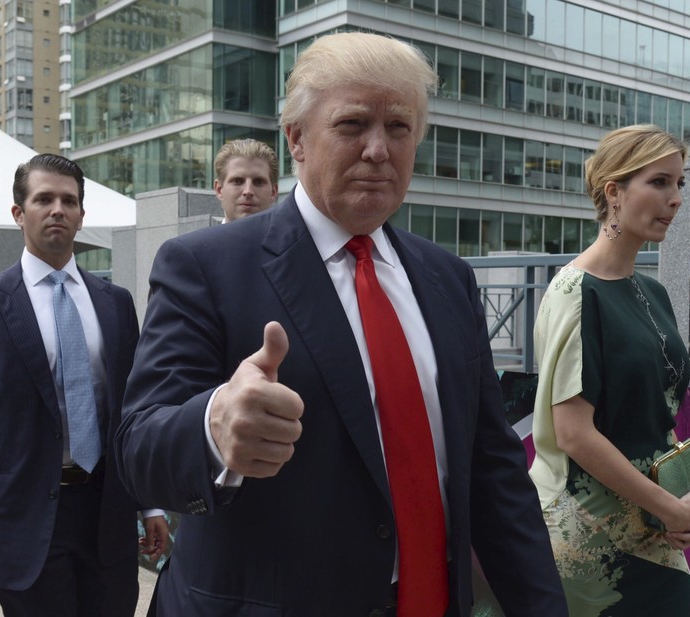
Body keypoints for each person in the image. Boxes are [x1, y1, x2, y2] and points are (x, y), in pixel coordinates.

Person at [116, 32, 566, 617]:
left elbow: (494, 473)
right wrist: (213, 425)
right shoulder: (204, 267)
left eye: (399, 128)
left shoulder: (447, 278)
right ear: (297, 140)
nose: (379, 149)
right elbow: (138, 449)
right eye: (353, 125)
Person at [0, 154, 169, 616]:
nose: (57, 209)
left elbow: (134, 413)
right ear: (19, 213)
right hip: (23, 520)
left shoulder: (115, 304)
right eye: (43, 199)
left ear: (82, 215)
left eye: (69, 200)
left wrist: (150, 504)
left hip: (107, 515)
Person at [528, 125, 690, 616]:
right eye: (658, 182)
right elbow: (572, 435)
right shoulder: (575, 292)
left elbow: (656, 415)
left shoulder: (650, 291)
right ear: (614, 191)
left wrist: (684, 503)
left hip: (653, 524)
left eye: (679, 185)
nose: (674, 200)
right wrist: (667, 506)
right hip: (589, 535)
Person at [213, 138, 279, 222]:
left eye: (258, 182)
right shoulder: (200, 235)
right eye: (237, 181)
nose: (248, 191)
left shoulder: (293, 235)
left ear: (273, 191)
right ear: (219, 190)